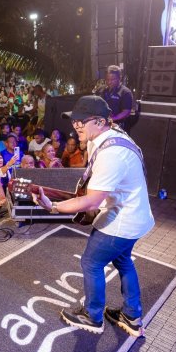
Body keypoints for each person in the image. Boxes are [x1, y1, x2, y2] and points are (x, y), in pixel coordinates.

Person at [33, 95, 153, 337]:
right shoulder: (112, 136)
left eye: (81, 121)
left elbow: (91, 201)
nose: (75, 125)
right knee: (123, 261)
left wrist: (53, 207)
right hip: (137, 216)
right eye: (74, 120)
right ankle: (132, 315)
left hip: (122, 221)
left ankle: (93, 316)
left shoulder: (111, 153)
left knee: (91, 262)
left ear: (99, 121)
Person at [100, 65, 133, 131]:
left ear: (119, 78)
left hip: (119, 125)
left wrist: (113, 119)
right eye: (108, 79)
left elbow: (126, 111)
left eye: (112, 79)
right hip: (105, 123)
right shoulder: (104, 91)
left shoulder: (125, 92)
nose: (109, 82)